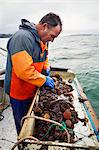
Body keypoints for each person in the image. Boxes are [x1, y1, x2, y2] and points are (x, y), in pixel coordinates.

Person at [4, 12, 62, 136]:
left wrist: (46, 68)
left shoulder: (43, 40)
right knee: (23, 125)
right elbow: (23, 70)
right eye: (52, 36)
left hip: (33, 89)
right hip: (19, 93)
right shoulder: (22, 38)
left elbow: (45, 58)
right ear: (44, 26)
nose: (52, 40)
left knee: (34, 121)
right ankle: (23, 143)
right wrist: (44, 80)